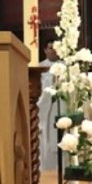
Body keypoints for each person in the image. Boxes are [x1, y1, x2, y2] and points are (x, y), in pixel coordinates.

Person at [38, 39, 61, 169]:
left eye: (56, 48)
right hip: (45, 111)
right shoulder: (39, 68)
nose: (53, 51)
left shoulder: (66, 67)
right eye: (50, 48)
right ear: (45, 50)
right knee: (46, 141)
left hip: (60, 108)